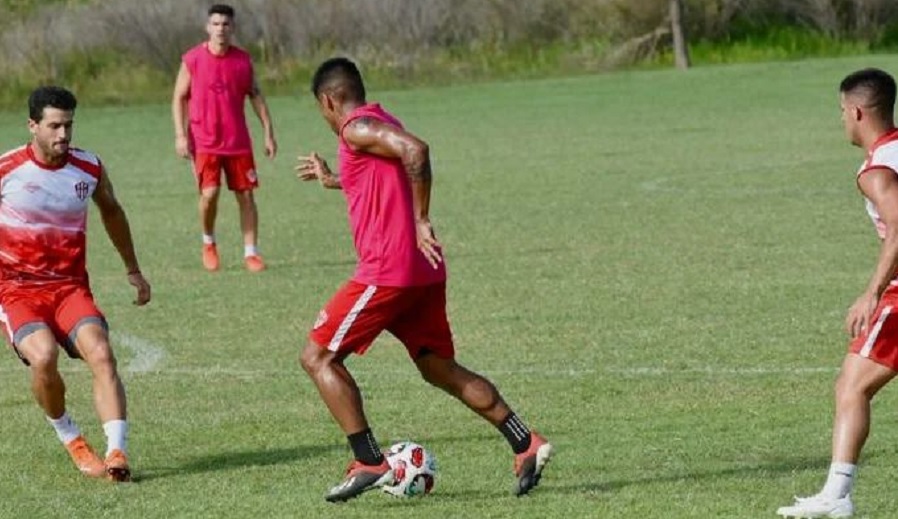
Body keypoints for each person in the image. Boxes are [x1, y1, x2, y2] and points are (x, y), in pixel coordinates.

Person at [296, 57, 553, 503]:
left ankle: (369, 461)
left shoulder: (355, 128)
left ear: (328, 100)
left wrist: (421, 218)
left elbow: (416, 151)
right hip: (422, 272)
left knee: (317, 358)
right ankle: (524, 441)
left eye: (322, 110)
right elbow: (382, 177)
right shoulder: (379, 121)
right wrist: (332, 179)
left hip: (387, 271)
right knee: (438, 368)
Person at [0, 86, 151, 482]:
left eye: (68, 125)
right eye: (54, 126)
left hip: (69, 288)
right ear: (32, 126)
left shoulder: (88, 168)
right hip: (17, 290)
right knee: (44, 357)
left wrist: (133, 269)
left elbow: (113, 213)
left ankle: (116, 452)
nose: (63, 134)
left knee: (101, 353)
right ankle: (71, 438)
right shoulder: (6, 169)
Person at [777, 68, 898, 518]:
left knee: (852, 386)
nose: (842, 120)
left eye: (842, 111)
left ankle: (837, 495)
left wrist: (872, 292)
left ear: (858, 112)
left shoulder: (877, 169)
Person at [172, 3, 276, 273]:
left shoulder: (243, 61)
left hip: (237, 142)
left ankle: (251, 253)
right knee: (210, 194)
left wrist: (268, 133)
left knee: (246, 195)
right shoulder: (192, 59)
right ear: (208, 27)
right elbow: (179, 97)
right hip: (204, 141)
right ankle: (208, 243)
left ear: (233, 28)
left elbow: (256, 96)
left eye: (225, 24)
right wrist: (180, 135)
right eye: (216, 24)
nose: (221, 29)